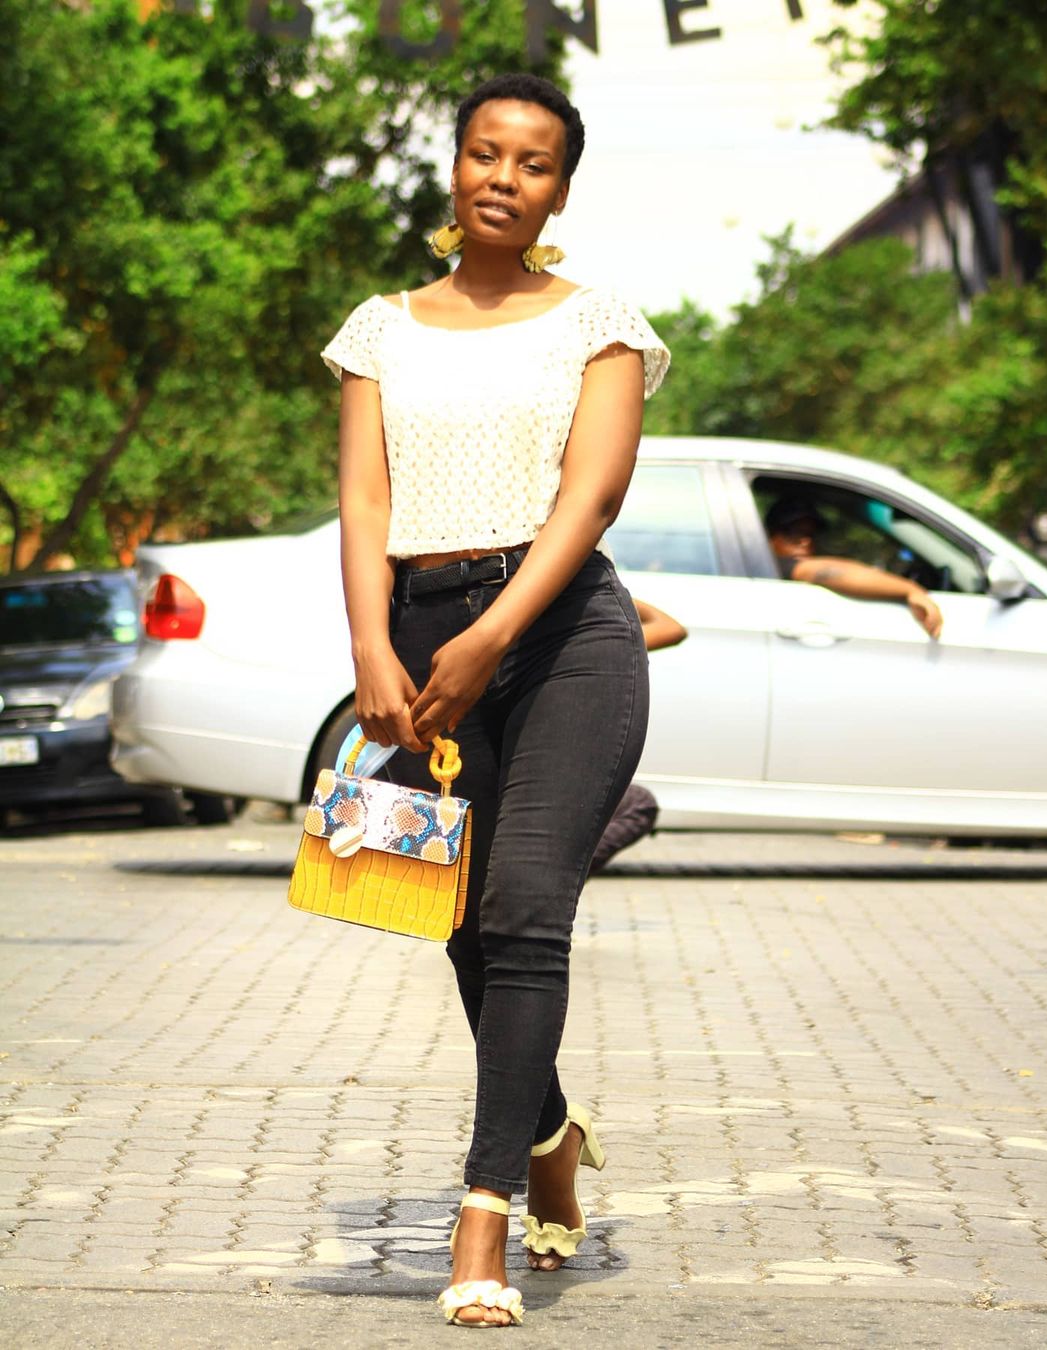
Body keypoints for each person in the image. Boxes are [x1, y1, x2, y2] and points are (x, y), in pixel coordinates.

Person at [322, 74, 669, 1328]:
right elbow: (366, 500)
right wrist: (375, 646)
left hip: (563, 634)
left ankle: (484, 1220)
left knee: (525, 911)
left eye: (532, 163)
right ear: (455, 168)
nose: (503, 178)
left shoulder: (600, 323)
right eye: (485, 153)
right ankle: (550, 1132)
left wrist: (493, 634)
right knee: (464, 925)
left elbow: (592, 497)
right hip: (422, 637)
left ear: (559, 193)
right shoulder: (379, 329)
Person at [589, 599, 687, 873]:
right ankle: (558, 875)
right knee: (639, 804)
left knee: (638, 802)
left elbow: (671, 629)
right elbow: (670, 627)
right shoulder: (585, 642)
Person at [765, 496, 944, 638]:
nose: (805, 541)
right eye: (793, 532)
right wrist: (911, 590)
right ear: (770, 535)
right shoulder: (779, 565)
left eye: (812, 534)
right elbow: (826, 572)